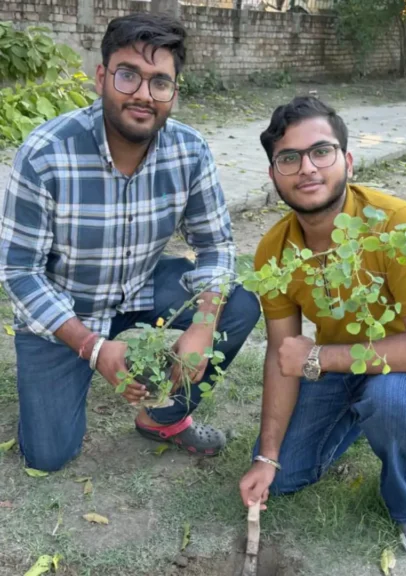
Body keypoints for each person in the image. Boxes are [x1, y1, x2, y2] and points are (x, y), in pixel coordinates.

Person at [0, 14, 260, 472]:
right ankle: (63, 381)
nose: (143, 94)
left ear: (174, 91)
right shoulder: (45, 154)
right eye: (128, 76)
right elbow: (20, 271)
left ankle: (163, 414)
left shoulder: (189, 151)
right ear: (101, 77)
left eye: (160, 81)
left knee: (236, 305)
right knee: (49, 455)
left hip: (140, 285)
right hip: (68, 304)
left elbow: (216, 245)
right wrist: (93, 348)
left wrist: (202, 324)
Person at [236, 97, 406, 564]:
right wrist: (267, 456)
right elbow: (283, 354)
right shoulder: (274, 252)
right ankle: (366, 412)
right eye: (289, 158)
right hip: (341, 362)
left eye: (322, 151)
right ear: (273, 174)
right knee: (287, 476)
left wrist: (321, 359)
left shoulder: (399, 225)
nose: (307, 169)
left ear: (348, 160)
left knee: (392, 399)